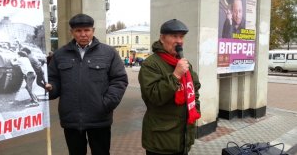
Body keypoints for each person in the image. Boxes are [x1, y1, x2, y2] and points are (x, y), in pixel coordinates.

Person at [45, 13, 128, 155]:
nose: (83, 34)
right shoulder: (60, 54)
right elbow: (54, 80)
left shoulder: (108, 53)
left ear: (93, 31)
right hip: (71, 119)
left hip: (99, 119)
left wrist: (106, 104)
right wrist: (51, 88)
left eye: (87, 30)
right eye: (78, 31)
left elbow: (119, 80)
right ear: (72, 32)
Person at [138, 19, 201, 155]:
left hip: (183, 137)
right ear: (162, 38)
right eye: (174, 36)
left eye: (181, 36)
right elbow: (154, 96)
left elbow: (194, 89)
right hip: (161, 140)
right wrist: (176, 75)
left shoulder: (184, 63)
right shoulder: (151, 64)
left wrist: (195, 108)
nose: (179, 41)